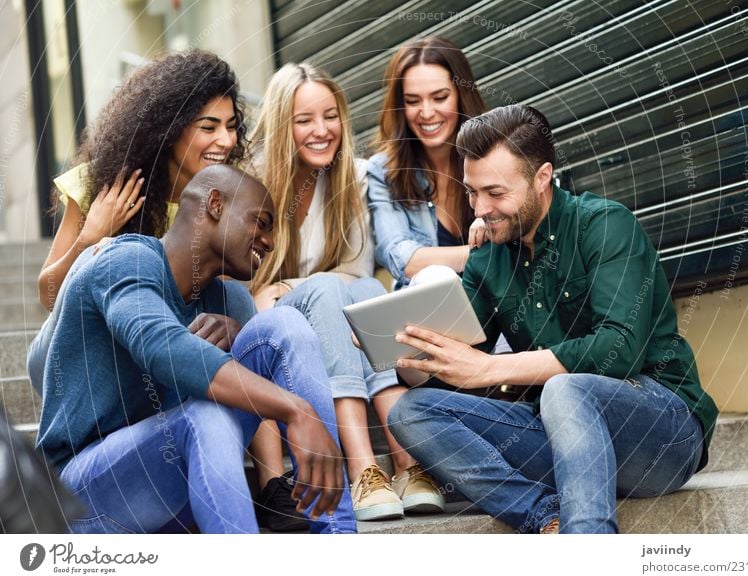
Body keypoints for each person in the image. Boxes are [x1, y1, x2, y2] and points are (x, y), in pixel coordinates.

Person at [387, 105, 719, 534]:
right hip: (562, 440)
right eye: (472, 192)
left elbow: (616, 351)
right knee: (410, 412)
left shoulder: (603, 225)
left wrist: (490, 368)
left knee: (565, 388)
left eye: (495, 193)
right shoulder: (487, 256)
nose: (480, 209)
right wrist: (402, 345)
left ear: (542, 177)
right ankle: (543, 514)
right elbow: (456, 364)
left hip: (661, 436)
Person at [35, 165, 356, 534]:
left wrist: (239, 340)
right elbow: (162, 348)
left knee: (283, 325)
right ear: (215, 204)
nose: (268, 242)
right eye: (262, 222)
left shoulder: (228, 300)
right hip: (81, 495)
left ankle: (338, 536)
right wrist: (296, 410)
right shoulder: (125, 260)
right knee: (204, 415)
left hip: (174, 494)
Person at [249, 63, 444, 522]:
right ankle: (363, 468)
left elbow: (353, 270)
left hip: (332, 314)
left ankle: (406, 466)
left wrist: (286, 285)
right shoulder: (250, 180)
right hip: (277, 328)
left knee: (357, 287)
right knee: (333, 290)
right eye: (304, 120)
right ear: (282, 126)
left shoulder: (351, 177)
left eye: (330, 116)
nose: (322, 131)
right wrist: (293, 288)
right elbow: (244, 287)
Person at [30, 49, 255, 391]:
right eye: (209, 127)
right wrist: (89, 238)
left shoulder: (226, 199)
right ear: (170, 129)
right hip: (73, 352)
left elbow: (223, 301)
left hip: (158, 351)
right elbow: (48, 295)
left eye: (231, 126)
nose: (225, 141)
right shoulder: (103, 186)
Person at [367, 36, 487, 290]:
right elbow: (401, 258)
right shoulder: (383, 171)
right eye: (412, 101)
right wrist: (484, 253)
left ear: (461, 95)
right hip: (429, 309)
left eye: (440, 97)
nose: (427, 112)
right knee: (434, 278)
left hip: (498, 305)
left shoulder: (494, 154)